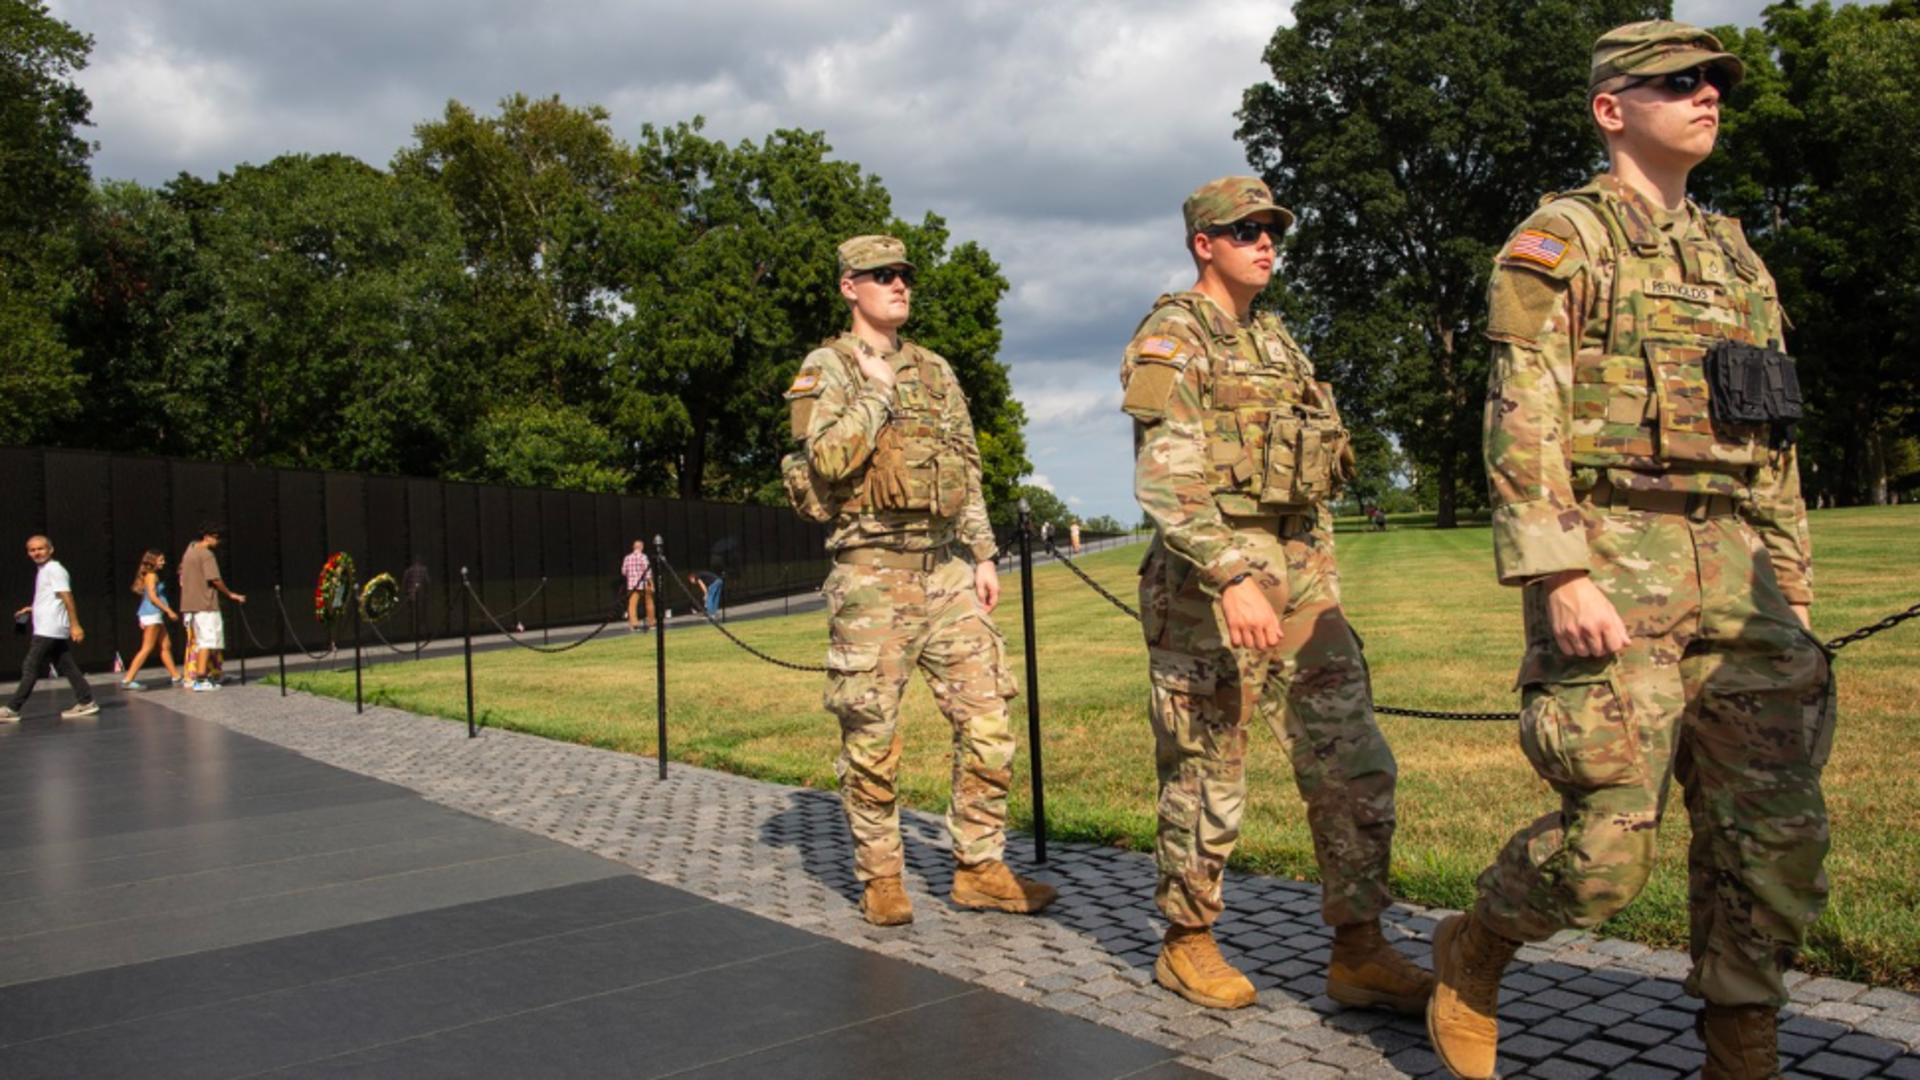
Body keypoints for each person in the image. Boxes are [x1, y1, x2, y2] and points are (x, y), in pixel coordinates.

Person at [1425, 23, 1831, 1080]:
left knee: (1774, 833)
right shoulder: (1564, 239)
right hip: (1612, 555)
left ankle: (1742, 1041)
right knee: (1606, 848)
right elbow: (1522, 413)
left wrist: (1790, 584)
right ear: (1612, 109)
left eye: (1714, 82)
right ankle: (1479, 946)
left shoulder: (1736, 257)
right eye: (1679, 81)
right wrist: (1559, 570)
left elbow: (1772, 438)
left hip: (1740, 570)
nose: (1707, 95)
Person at [1119, 176, 1431, 1013]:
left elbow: (1314, 474)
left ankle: (1360, 949)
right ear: (1204, 244)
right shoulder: (1172, 338)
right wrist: (1230, 574)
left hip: (1301, 580)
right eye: (1246, 230)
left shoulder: (1279, 342)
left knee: (1352, 758)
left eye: (1272, 230)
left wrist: (1317, 578)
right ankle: (1187, 940)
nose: (1265, 243)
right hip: (1210, 586)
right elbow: (1167, 478)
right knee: (1207, 768)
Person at [784, 234, 1056, 926]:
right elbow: (828, 460)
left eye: (904, 273)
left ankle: (979, 867)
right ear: (850, 286)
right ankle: (881, 876)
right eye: (882, 275)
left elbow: (964, 462)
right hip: (872, 575)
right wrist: (876, 395)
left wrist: (983, 554)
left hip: (947, 571)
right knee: (872, 733)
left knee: (989, 720)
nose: (899, 284)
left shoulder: (935, 369)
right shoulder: (828, 367)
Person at [1, 535, 98, 721]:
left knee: (30, 666)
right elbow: (52, 598)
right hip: (50, 627)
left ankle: (12, 708)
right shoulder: (45, 570)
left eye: (41, 548)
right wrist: (32, 608)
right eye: (32, 550)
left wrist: (75, 625)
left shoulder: (54, 569)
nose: (37, 553)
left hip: (48, 629)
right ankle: (86, 701)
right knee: (67, 665)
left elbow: (67, 597)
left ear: (50, 550)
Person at [178, 523, 247, 692]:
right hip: (205, 603)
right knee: (208, 640)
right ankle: (201, 678)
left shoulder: (189, 552)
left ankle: (203, 676)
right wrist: (230, 594)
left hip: (191, 605)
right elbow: (215, 579)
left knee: (201, 640)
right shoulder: (206, 554)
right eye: (216, 537)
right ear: (207, 536)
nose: (218, 541)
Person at [121, 549, 182, 690]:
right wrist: (169, 611)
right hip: (152, 615)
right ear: (153, 561)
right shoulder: (151, 576)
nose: (163, 562)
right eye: (161, 560)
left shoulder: (152, 575)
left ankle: (176, 676)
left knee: (166, 645)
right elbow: (152, 597)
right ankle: (128, 679)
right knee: (147, 648)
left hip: (154, 614)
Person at [622, 540, 655, 631]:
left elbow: (624, 572)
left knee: (632, 605)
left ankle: (634, 625)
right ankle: (651, 623)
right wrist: (652, 584)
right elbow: (647, 572)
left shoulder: (627, 558)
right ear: (641, 547)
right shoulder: (643, 557)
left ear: (633, 547)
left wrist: (631, 577)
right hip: (644, 584)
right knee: (649, 603)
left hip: (632, 585)